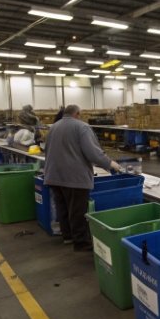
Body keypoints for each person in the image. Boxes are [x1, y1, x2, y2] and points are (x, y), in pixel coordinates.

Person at [44, 105, 123, 252]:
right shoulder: (82, 127)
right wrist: (111, 164)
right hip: (74, 177)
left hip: (53, 175)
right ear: (78, 114)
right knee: (78, 210)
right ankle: (81, 243)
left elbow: (46, 150)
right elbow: (93, 153)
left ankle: (67, 236)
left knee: (63, 208)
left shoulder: (53, 127)